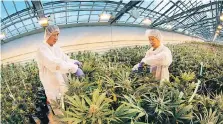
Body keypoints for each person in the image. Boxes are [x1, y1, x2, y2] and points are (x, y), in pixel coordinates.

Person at [36, 25, 84, 123]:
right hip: (52, 86)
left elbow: (65, 59)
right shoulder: (42, 49)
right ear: (48, 35)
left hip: (61, 83)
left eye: (58, 35)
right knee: (59, 111)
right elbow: (54, 64)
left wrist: (74, 62)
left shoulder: (56, 48)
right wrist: (74, 69)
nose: (57, 38)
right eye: (54, 35)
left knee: (67, 106)